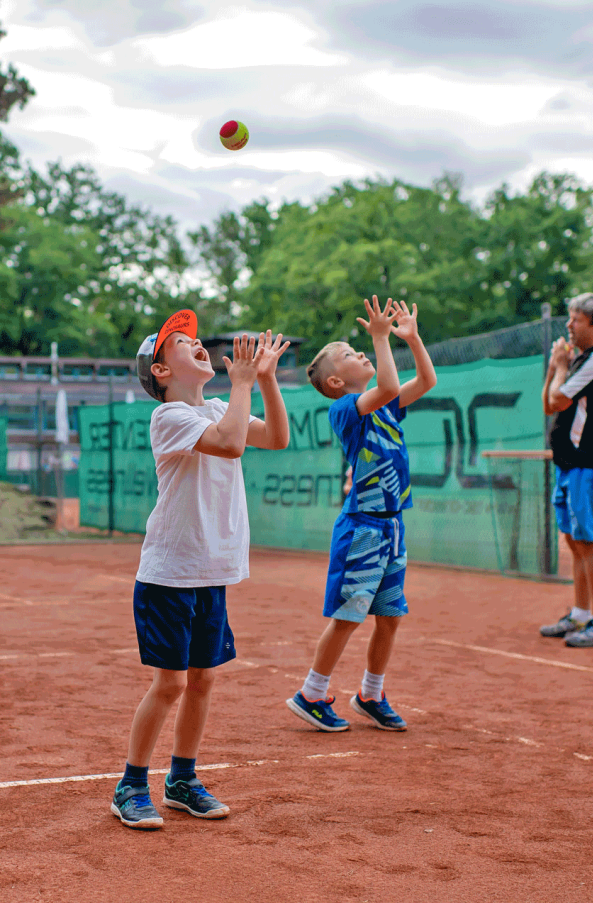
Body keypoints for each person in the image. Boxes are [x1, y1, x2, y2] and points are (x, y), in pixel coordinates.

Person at [111, 310, 290, 829]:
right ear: (161, 372)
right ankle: (130, 785)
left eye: (195, 339)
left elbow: (275, 438)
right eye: (181, 343)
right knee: (170, 684)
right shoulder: (169, 418)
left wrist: (267, 381)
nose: (197, 345)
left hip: (210, 571)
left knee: (203, 680)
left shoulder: (216, 404)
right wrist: (242, 384)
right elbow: (232, 443)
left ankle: (182, 780)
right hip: (169, 573)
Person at [286, 295, 437, 732]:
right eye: (352, 355)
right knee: (349, 616)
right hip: (363, 528)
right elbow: (388, 386)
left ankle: (371, 693)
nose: (364, 353)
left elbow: (425, 380)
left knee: (390, 617)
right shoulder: (344, 409)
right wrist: (382, 338)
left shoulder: (385, 404)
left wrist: (412, 338)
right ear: (336, 381)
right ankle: (312, 693)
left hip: (391, 526)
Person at [540, 292, 593, 648]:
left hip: (589, 465)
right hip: (570, 466)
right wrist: (557, 367)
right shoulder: (582, 360)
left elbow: (557, 399)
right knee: (574, 542)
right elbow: (548, 405)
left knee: (588, 542)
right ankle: (581, 614)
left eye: (575, 319)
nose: (568, 326)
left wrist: (559, 369)